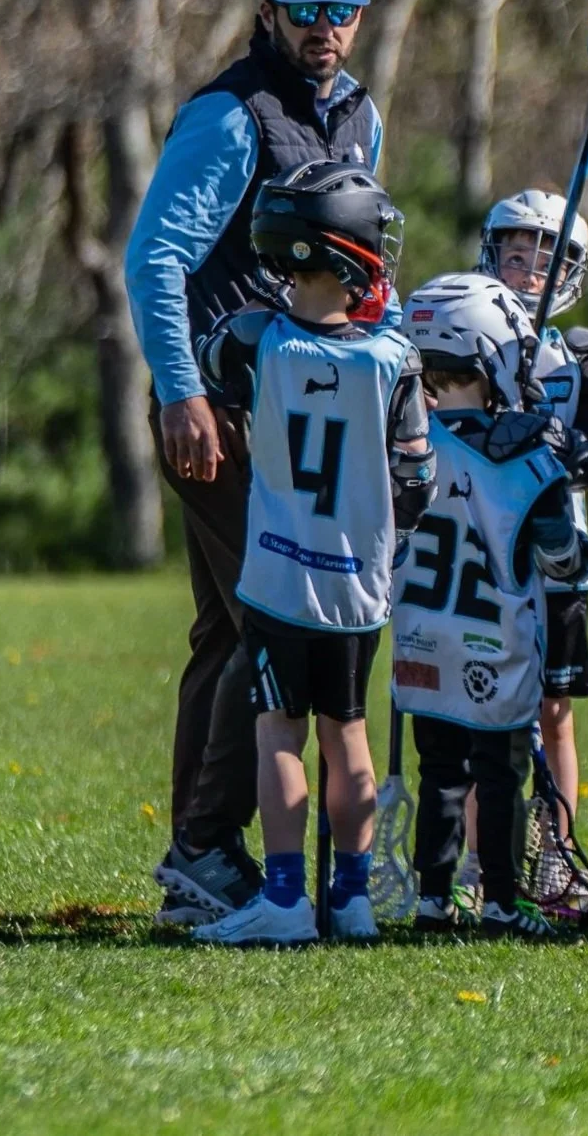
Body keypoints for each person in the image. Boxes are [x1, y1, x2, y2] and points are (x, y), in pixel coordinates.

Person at [128, 0, 385, 925]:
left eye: (340, 11)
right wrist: (181, 394)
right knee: (271, 617)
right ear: (268, 13)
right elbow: (155, 260)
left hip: (299, 408)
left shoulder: (358, 111)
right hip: (218, 408)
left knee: (222, 631)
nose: (324, 29)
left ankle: (198, 862)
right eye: (304, 10)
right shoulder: (231, 115)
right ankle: (206, 845)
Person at [187, 163, 431, 945]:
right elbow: (417, 475)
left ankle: (288, 899)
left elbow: (217, 365)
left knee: (278, 733)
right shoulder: (398, 359)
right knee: (347, 732)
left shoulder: (254, 339)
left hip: (278, 577)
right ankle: (352, 899)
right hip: (357, 584)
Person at [393, 274, 588, 940]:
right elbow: (561, 555)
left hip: (421, 639)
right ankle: (501, 901)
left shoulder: (406, 446)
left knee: (440, 774)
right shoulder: (526, 459)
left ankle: (432, 897)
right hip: (495, 643)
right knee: (498, 774)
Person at [474, 188, 588, 914]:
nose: (527, 272)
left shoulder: (580, 357)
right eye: (514, 255)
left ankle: (554, 854)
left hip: (560, 556)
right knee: (475, 706)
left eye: (543, 261)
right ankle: (476, 859)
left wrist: (572, 446)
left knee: (555, 709)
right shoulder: (464, 340)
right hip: (482, 554)